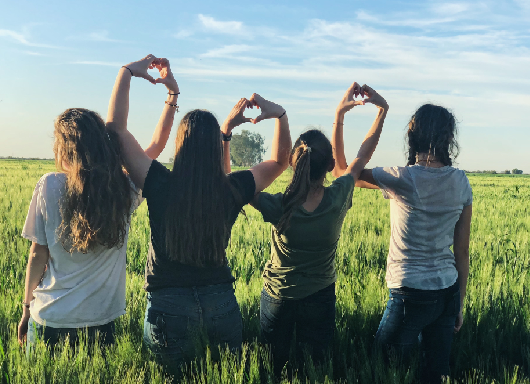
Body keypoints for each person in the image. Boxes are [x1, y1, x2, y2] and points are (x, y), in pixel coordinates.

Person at [105, 55, 292, 376]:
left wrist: (127, 73)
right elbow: (279, 161)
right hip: (221, 305)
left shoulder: (159, 181)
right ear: (213, 147)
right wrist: (280, 116)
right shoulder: (232, 188)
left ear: (181, 145)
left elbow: (116, 131)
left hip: (169, 307)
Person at [17, 58, 176, 352]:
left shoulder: (49, 185)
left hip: (50, 317)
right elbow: (154, 147)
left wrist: (27, 307)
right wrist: (171, 96)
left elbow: (37, 254)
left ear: (63, 147)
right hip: (100, 323)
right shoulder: (123, 190)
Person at [251, 82, 389, 375]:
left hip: (278, 297)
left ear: (293, 164)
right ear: (329, 165)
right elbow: (361, 156)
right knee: (314, 371)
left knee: (270, 370)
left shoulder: (279, 205)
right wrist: (380, 111)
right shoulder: (338, 196)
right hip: (320, 297)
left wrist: (228, 131)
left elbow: (237, 185)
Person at [333, 100, 472, 383]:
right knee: (436, 374)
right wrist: (459, 304)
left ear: (413, 135)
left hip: (409, 292)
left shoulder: (402, 177)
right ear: (449, 138)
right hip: (447, 291)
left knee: (382, 368)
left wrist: (341, 115)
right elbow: (462, 252)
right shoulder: (461, 181)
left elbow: (343, 174)